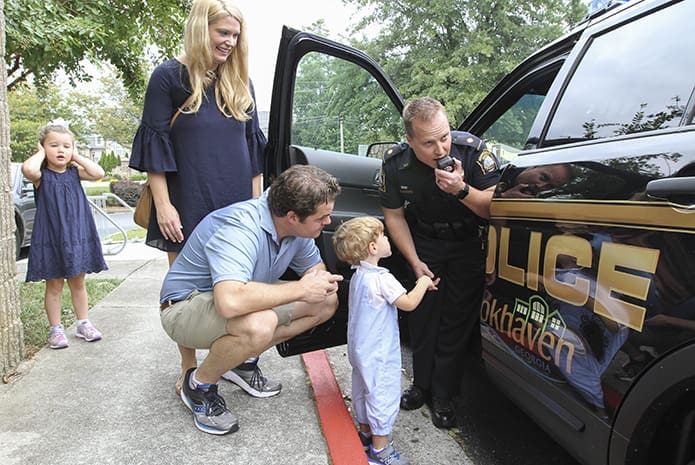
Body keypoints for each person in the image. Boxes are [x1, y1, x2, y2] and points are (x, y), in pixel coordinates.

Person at [128, 0, 273, 398]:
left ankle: (239, 362)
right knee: (188, 293)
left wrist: (257, 208)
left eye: (235, 35)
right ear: (200, 28)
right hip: (186, 201)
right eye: (222, 33)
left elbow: (253, 152)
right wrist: (164, 206)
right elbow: (155, 149)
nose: (229, 42)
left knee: (241, 286)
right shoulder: (168, 77)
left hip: (236, 201)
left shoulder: (240, 80)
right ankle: (190, 369)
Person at [159, 165, 343, 435]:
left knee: (326, 302)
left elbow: (316, 273)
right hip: (184, 308)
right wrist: (301, 289)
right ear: (292, 216)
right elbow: (230, 302)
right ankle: (198, 386)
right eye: (322, 218)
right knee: (259, 324)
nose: (328, 222)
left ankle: (240, 362)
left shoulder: (296, 229)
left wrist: (318, 284)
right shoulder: (240, 228)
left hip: (235, 298)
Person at [379, 97, 501, 428]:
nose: (440, 148)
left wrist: (461, 189)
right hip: (425, 244)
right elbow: (394, 216)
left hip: (466, 245)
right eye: (429, 142)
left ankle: (444, 394)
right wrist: (414, 260)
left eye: (444, 136)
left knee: (455, 321)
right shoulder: (396, 163)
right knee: (423, 317)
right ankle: (421, 385)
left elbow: (493, 208)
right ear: (410, 141)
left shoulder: (472, 152)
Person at [333, 216, 436, 465]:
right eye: (384, 236)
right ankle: (380, 451)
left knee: (363, 389)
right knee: (382, 394)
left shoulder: (358, 275)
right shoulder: (382, 278)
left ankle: (366, 435)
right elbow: (409, 303)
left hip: (360, 349)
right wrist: (423, 282)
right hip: (380, 353)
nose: (388, 240)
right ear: (373, 247)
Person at [22, 124, 108, 349]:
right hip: (51, 236)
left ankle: (83, 323)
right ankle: (56, 329)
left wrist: (76, 154)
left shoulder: (74, 173)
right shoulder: (42, 175)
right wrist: (40, 152)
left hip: (77, 234)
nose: (61, 150)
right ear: (42, 147)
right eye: (54, 145)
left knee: (78, 282)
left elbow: (99, 173)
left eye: (66, 146)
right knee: (54, 284)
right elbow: (28, 170)